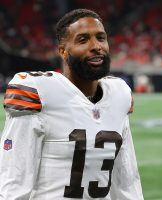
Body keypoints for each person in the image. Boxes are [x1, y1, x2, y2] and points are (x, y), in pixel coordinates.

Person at [0, 9, 144, 200]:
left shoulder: (119, 94)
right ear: (63, 51)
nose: (96, 46)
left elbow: (126, 180)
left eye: (101, 38)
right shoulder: (39, 92)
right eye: (83, 40)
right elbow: (14, 182)